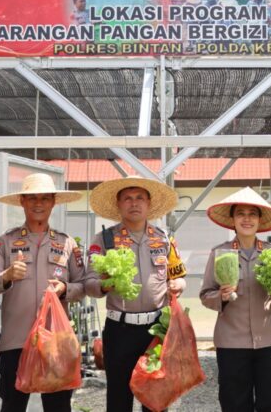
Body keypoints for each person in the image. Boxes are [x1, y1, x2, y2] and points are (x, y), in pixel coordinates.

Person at [0, 173, 97, 412]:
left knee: (58, 406)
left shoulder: (67, 244)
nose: (38, 204)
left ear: (53, 202)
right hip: (16, 342)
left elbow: (84, 285)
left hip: (56, 342)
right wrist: (7, 276)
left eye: (45, 198)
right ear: (22, 201)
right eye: (32, 198)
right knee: (12, 405)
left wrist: (65, 289)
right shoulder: (3, 243)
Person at [87, 176, 186, 412]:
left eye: (140, 198)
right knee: (119, 400)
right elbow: (88, 281)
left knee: (155, 401)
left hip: (155, 330)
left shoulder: (163, 239)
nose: (134, 203)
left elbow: (178, 275)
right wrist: (104, 285)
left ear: (149, 204)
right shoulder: (105, 239)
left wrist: (180, 285)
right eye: (128, 198)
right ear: (119, 204)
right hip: (119, 330)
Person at [200, 187, 271, 412]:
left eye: (252, 214)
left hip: (270, 341)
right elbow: (206, 295)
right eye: (240, 213)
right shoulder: (220, 253)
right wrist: (221, 295)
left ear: (260, 220)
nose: (246, 219)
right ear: (232, 219)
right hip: (231, 343)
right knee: (235, 404)